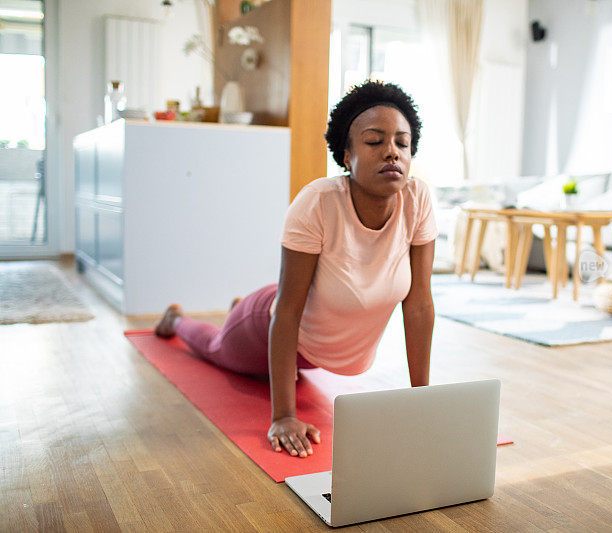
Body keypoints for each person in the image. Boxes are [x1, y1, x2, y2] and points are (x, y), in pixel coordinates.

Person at [154, 80, 437, 460]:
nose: (391, 152)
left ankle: (236, 307)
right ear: (346, 155)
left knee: (267, 355)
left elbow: (418, 305)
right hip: (269, 322)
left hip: (312, 346)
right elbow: (286, 311)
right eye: (374, 142)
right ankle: (177, 321)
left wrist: (425, 403)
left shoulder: (417, 200)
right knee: (215, 347)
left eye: (402, 143)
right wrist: (284, 416)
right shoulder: (318, 203)